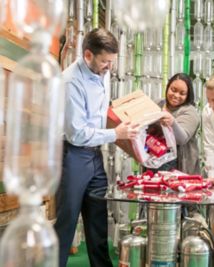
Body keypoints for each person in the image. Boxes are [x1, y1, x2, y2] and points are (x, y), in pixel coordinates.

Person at [54, 28, 139, 267]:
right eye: (105, 62)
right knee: (67, 221)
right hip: (72, 155)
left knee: (97, 220)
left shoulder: (103, 73)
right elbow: (77, 133)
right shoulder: (70, 82)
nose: (109, 68)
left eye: (112, 62)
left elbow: (99, 113)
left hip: (95, 155)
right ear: (88, 55)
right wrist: (116, 134)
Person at [158, 73, 201, 174]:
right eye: (173, 90)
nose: (176, 95)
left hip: (179, 168)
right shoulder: (158, 104)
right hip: (154, 162)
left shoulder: (190, 112)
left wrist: (173, 123)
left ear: (188, 95)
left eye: (182, 93)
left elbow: (182, 139)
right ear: (167, 87)